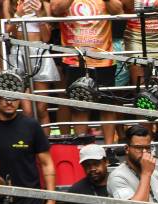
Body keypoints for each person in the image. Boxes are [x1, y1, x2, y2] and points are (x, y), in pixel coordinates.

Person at [49, 0, 120, 143]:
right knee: (79, 106)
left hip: (103, 58)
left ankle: (109, 148)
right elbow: (55, 9)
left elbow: (117, 10)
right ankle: (82, 147)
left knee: (107, 105)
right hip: (74, 59)